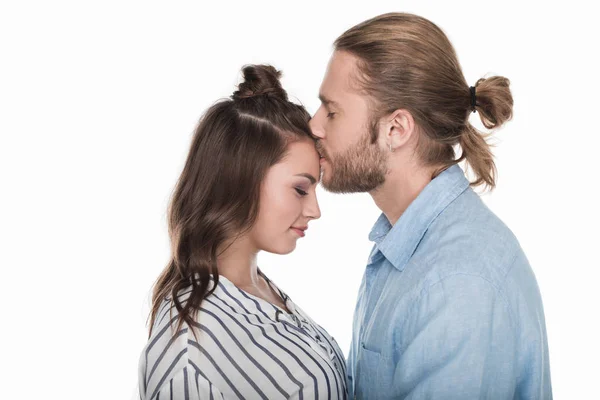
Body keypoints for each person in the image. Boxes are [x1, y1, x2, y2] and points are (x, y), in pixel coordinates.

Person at [309, 12, 552, 399]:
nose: (314, 125)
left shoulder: (456, 284)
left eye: (332, 111)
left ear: (396, 129)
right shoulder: (406, 243)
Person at [138, 65, 347, 400]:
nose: (315, 211)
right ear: (242, 179)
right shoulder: (189, 353)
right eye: (300, 189)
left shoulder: (260, 290)